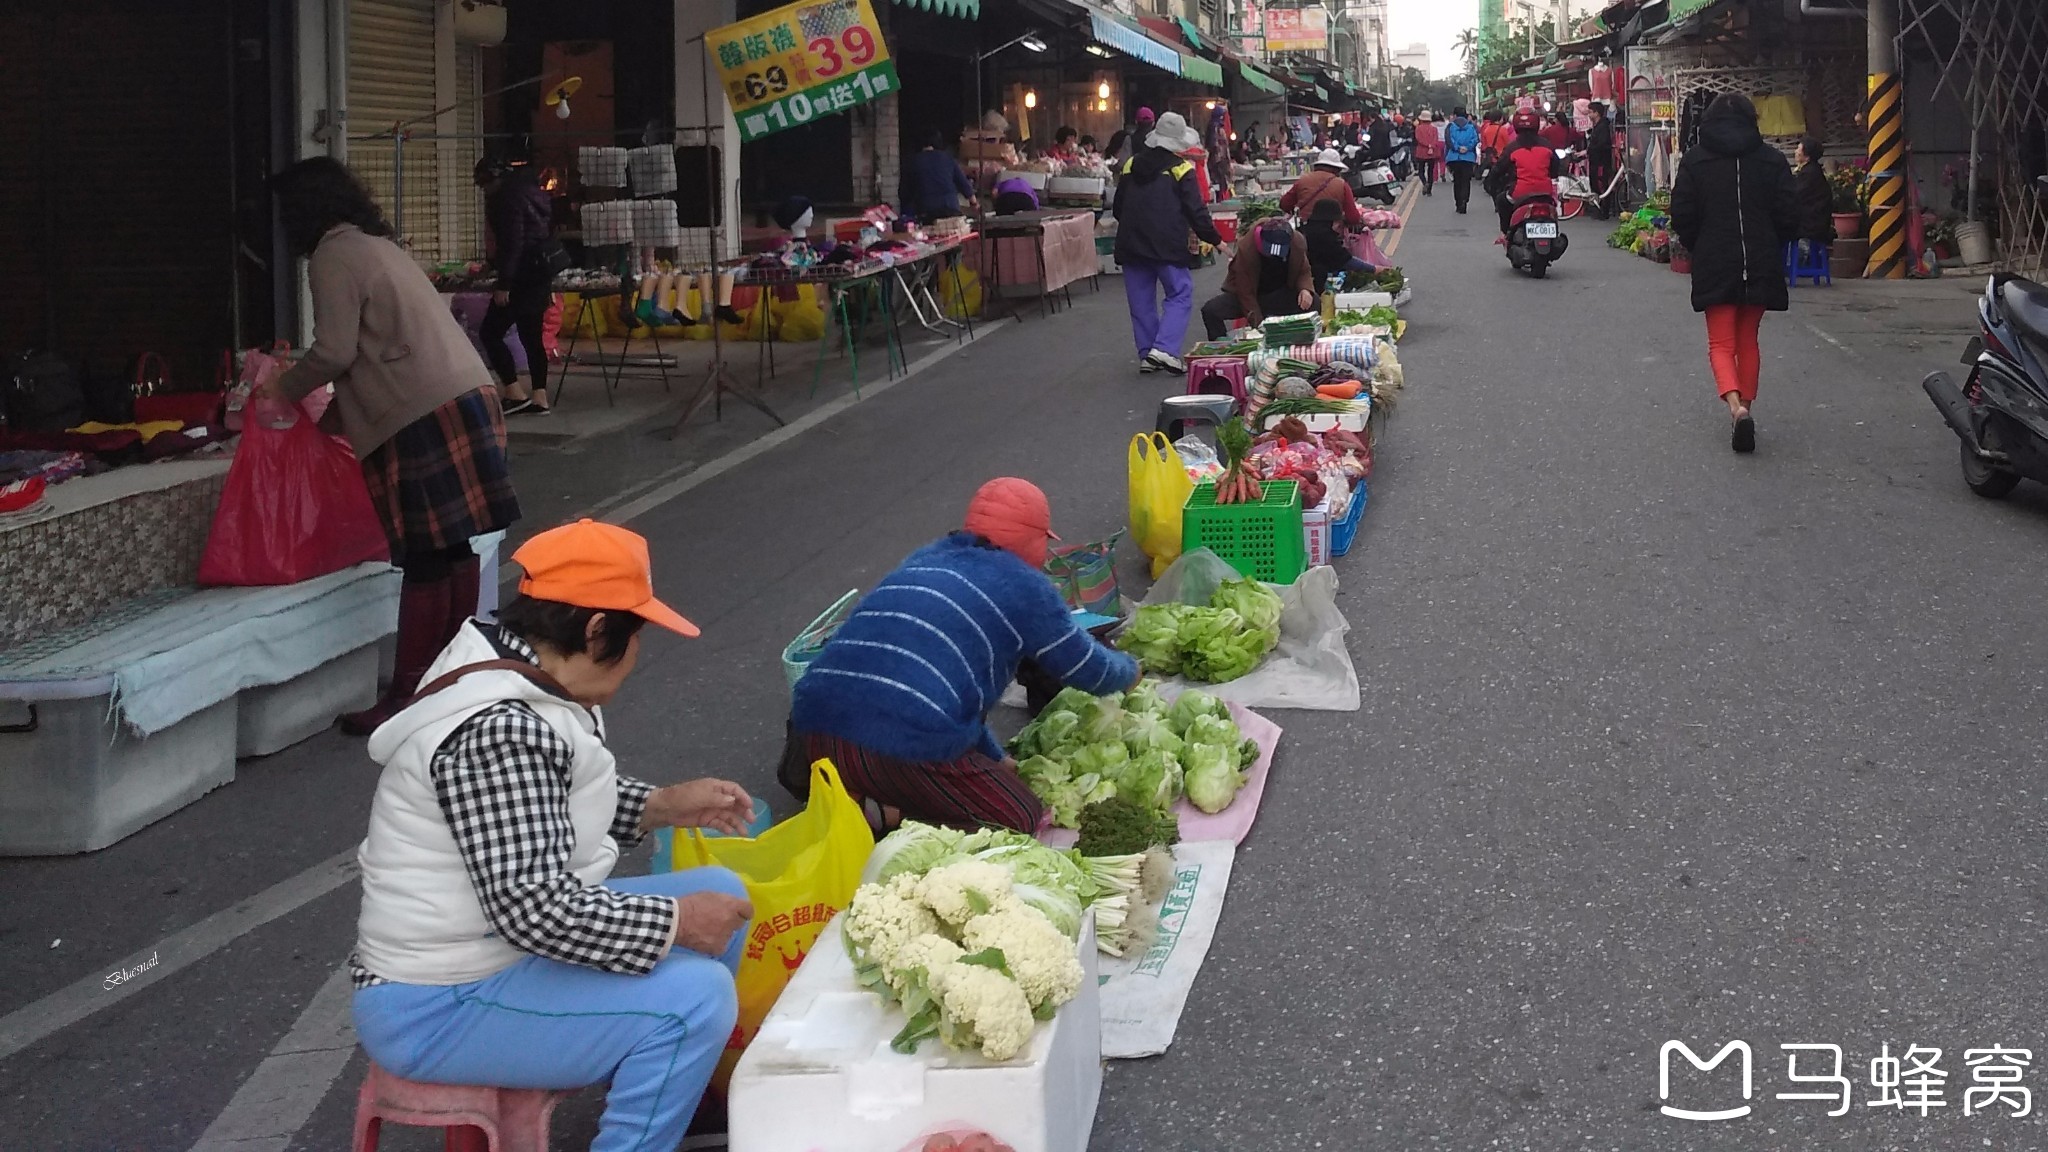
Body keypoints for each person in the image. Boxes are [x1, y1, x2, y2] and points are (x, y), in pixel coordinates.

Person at [349, 518, 755, 1152]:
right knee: (696, 998)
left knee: (718, 889)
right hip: (437, 1002)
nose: (638, 651)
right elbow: (534, 909)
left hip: (486, 955)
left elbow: (541, 805)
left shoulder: (516, 669)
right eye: (636, 632)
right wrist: (675, 923)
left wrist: (663, 805)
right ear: (597, 631)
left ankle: (677, 1091)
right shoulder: (500, 729)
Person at [267, 158, 520, 735]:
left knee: (426, 556)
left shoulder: (333, 255)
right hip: (465, 396)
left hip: (422, 412)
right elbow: (377, 347)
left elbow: (333, 352)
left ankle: (408, 694)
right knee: (455, 549)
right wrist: (334, 418)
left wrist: (278, 392)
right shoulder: (377, 246)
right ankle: (451, 681)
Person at [781, 479, 1140, 832]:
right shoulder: (1024, 586)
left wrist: (996, 759)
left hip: (814, 728)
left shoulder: (927, 558)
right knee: (1019, 815)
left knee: (920, 739)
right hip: (899, 741)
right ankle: (885, 814)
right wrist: (1130, 672)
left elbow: (956, 692)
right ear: (1036, 539)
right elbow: (1086, 668)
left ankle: (852, 796)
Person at [1668, 92, 1798, 454]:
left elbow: (1683, 213)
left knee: (1721, 344)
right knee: (1748, 342)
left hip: (1715, 259)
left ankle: (1736, 408)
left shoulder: (1696, 161)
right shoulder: (1772, 160)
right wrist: (1773, 240)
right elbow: (1790, 211)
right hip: (1761, 259)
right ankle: (1747, 409)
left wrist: (1700, 244)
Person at [1112, 111, 1221, 375]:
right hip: (1166, 243)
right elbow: (1196, 211)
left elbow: (1118, 208)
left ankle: (1148, 353)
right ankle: (1165, 349)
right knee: (1180, 293)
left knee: (1141, 302)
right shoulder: (1181, 169)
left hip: (1131, 242)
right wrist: (1215, 239)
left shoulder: (1130, 166)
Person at [474, 155, 554, 416]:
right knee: (532, 336)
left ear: (494, 179)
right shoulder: (532, 193)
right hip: (540, 271)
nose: (484, 190)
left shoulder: (505, 200)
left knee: (490, 333)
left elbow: (513, 241)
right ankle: (540, 397)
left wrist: (504, 283)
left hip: (520, 277)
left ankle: (513, 391)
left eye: (484, 184)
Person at [1201, 214, 1315, 339]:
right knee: (1210, 310)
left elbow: (1303, 270)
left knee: (1314, 302)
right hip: (1253, 294)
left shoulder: (1297, 243)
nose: (1273, 257)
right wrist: (1261, 327)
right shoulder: (1247, 249)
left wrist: (1305, 290)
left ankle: (1306, 340)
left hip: (1281, 293)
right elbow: (1245, 293)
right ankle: (1220, 349)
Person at [1485, 108, 1565, 239]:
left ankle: (1506, 234)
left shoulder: (1512, 148)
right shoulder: (1547, 145)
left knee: (1501, 201)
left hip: (1519, 193)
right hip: (1545, 192)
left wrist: (1491, 182)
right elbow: (1555, 170)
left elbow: (1498, 170)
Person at [902, 129, 980, 222]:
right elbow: (963, 183)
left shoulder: (913, 162)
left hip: (926, 212)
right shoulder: (947, 158)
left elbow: (904, 193)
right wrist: (974, 203)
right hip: (951, 209)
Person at [1299, 196, 1375, 289]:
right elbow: (1345, 260)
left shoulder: (1307, 230)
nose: (1339, 224)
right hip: (1313, 282)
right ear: (1331, 220)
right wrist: (1374, 269)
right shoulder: (1324, 237)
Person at [1279, 149, 1365, 230]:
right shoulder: (1342, 185)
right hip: (1333, 234)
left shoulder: (1303, 180)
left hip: (1305, 230)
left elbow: (1284, 204)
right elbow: (1353, 218)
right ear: (1337, 169)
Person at [1791, 136, 1836, 248]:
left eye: (1799, 149)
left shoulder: (1809, 174)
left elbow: (1795, 196)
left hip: (1812, 225)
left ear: (1807, 156)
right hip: (1815, 222)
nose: (1795, 151)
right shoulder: (1811, 171)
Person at [1443, 106, 1482, 214]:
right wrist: (1467, 148)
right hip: (1468, 157)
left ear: (1455, 115)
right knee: (1466, 180)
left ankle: (1458, 202)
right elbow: (1475, 140)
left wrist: (1457, 148)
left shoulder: (1450, 126)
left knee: (1457, 181)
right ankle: (1465, 200)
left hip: (1454, 158)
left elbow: (1448, 141)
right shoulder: (1471, 126)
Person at [1585, 102, 1618, 219]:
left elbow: (1602, 143)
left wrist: (1589, 150)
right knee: (1597, 184)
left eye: (1590, 112)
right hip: (1596, 160)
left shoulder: (1602, 127)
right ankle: (1601, 209)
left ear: (1596, 113)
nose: (1588, 115)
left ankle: (1604, 211)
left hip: (1601, 161)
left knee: (1601, 184)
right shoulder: (1598, 126)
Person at [1413, 110, 1443, 196]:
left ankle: (1425, 182)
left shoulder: (1418, 128)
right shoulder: (1434, 129)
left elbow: (1418, 139)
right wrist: (1431, 146)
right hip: (1432, 151)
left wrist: (1427, 145)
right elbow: (1436, 139)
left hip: (1422, 151)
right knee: (1430, 171)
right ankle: (1429, 190)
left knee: (1421, 170)